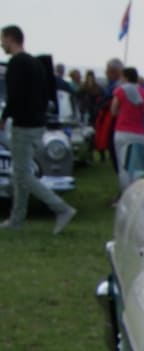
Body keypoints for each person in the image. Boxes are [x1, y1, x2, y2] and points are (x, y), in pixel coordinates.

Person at [0, 25, 76, 233]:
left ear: (10, 39)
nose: (1, 44)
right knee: (20, 172)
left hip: (23, 125)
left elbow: (14, 95)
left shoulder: (16, 63)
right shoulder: (37, 64)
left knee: (22, 175)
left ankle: (61, 208)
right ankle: (17, 219)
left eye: (3, 40)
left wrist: (5, 117)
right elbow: (45, 96)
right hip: (37, 124)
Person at [109, 66, 144, 193]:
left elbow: (113, 110)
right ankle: (136, 192)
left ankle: (125, 193)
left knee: (123, 166)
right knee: (136, 167)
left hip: (122, 131)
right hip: (139, 133)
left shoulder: (120, 91)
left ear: (126, 77)